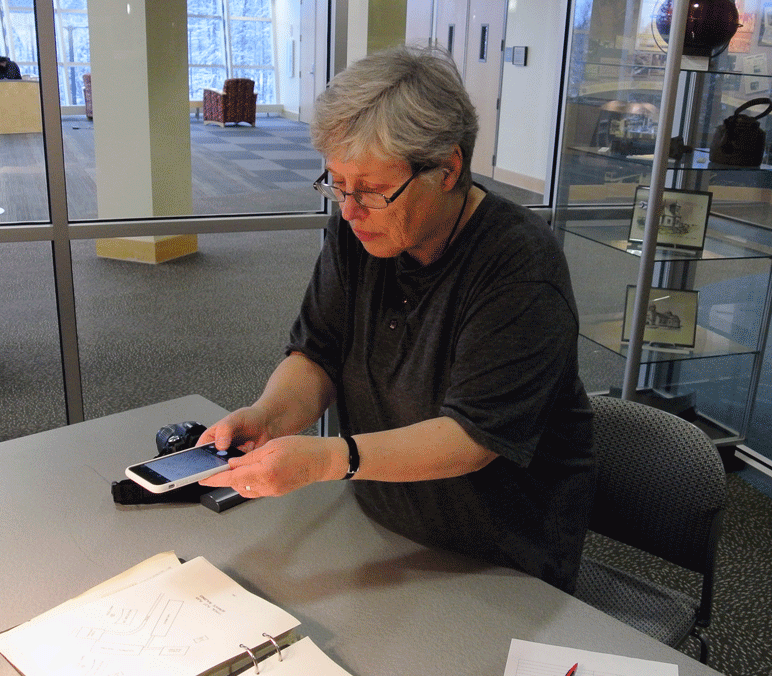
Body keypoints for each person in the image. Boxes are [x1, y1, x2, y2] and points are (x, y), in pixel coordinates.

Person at [198, 44, 595, 592]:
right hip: (378, 523)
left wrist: (325, 459)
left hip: (498, 559)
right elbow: (318, 353)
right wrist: (269, 415)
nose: (351, 209)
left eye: (374, 190)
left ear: (448, 169)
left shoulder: (520, 267)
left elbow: (473, 437)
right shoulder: (360, 232)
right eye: (337, 185)